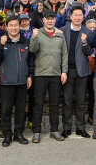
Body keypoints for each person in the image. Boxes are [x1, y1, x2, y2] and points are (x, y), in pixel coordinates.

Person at [0, 15, 35, 147]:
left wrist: (29, 76)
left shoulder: (26, 41)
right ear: (6, 27)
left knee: (20, 109)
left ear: (19, 26)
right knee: (5, 110)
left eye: (15, 25)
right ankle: (7, 134)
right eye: (10, 25)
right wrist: (1, 45)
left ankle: (19, 133)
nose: (13, 28)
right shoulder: (1, 40)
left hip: (22, 81)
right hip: (6, 82)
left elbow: (30, 61)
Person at [29, 9, 68, 143]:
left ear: (55, 19)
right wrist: (33, 38)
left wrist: (64, 71)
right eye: (47, 18)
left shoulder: (60, 34)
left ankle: (54, 130)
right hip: (41, 73)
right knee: (38, 104)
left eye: (52, 18)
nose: (50, 21)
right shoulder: (37, 33)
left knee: (55, 104)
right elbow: (32, 50)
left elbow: (64, 54)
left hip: (56, 74)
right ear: (43, 20)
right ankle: (36, 131)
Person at [60, 6, 93, 138]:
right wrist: (63, 70)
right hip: (67, 71)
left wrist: (85, 43)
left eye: (80, 15)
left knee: (80, 101)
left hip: (82, 71)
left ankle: (80, 128)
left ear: (83, 17)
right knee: (67, 101)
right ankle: (67, 127)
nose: (78, 17)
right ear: (71, 16)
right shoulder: (63, 30)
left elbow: (90, 52)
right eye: (75, 15)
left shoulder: (87, 31)